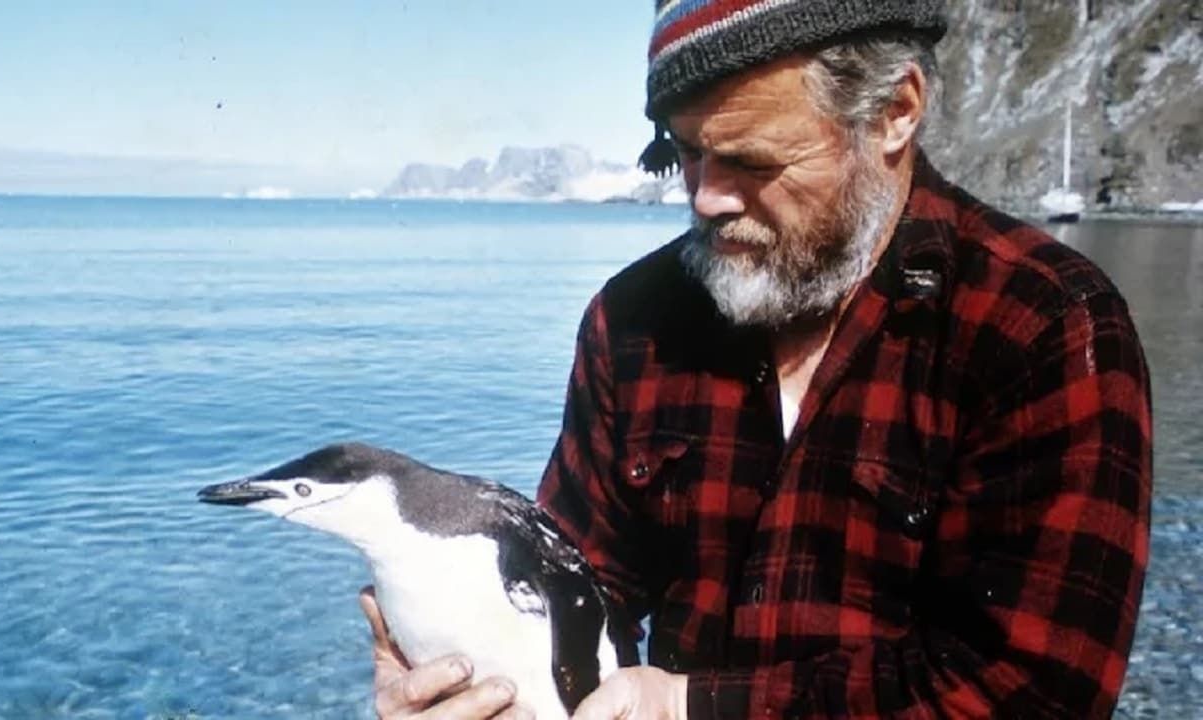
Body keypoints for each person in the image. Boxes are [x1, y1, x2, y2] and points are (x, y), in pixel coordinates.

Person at [361, 0, 1154, 717]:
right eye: (687, 156)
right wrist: (462, 669)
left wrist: (691, 709)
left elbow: (1038, 690)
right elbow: (575, 583)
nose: (708, 198)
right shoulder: (633, 319)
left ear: (894, 112)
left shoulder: (1043, 327)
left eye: (750, 161)